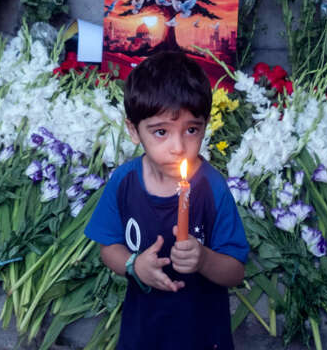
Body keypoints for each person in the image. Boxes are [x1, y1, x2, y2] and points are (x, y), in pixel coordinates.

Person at [85, 51, 248, 350]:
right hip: (143, 331)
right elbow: (108, 248)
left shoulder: (213, 188)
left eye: (191, 130)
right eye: (161, 131)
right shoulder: (124, 183)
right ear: (134, 130)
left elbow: (236, 271)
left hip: (202, 333)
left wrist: (205, 259)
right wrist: (134, 265)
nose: (178, 147)